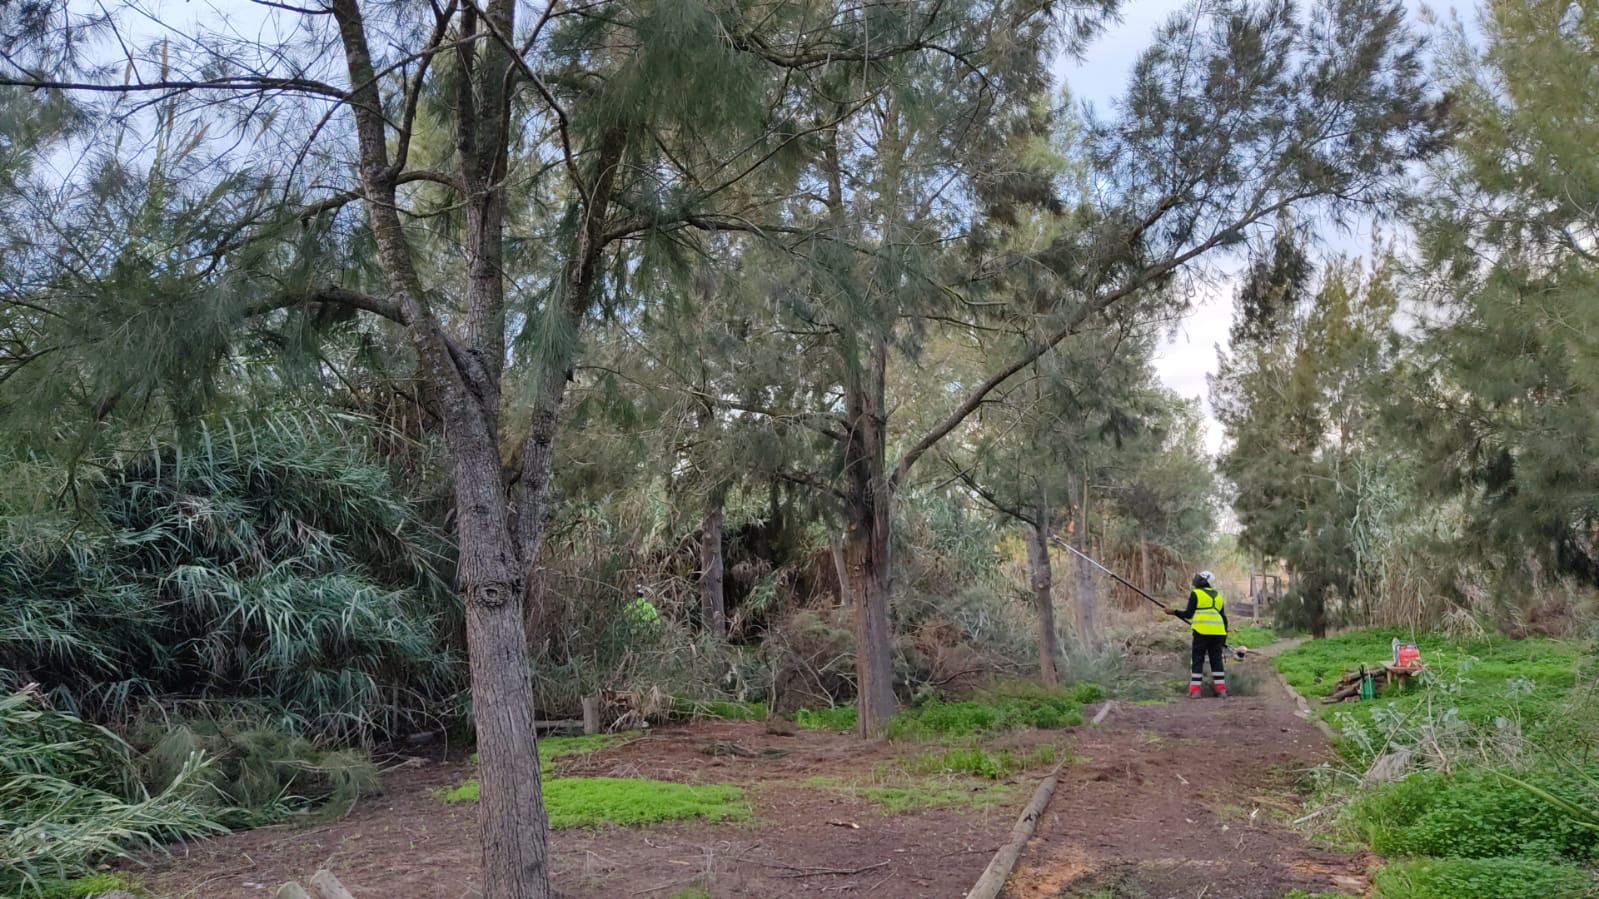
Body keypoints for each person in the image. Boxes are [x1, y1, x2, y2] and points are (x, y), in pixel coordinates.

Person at [1166, 570, 1228, 698]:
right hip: (1219, 632)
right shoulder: (1218, 595)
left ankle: (1195, 691)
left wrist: (1174, 612)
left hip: (1202, 632)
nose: (1195, 580)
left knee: (1197, 660)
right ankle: (1221, 690)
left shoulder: (1196, 594)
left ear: (1203, 580)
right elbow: (1224, 618)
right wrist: (1224, 638)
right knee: (1216, 660)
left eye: (1198, 578)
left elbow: (1189, 614)